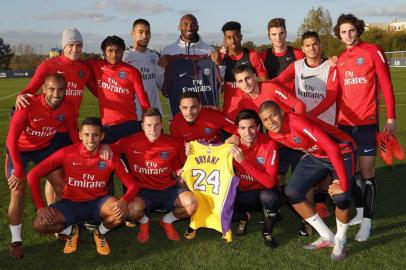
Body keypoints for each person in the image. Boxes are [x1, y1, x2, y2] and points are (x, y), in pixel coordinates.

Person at [258, 101, 356, 261]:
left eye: (273, 115)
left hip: (341, 151)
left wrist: (343, 184)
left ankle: (341, 240)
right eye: (265, 119)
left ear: (282, 113)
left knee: (341, 197)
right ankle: (327, 236)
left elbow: (332, 147)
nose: (271, 121)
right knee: (292, 192)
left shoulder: (297, 122)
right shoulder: (273, 134)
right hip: (317, 156)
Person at [27, 117, 140, 255]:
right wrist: (40, 207)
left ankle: (99, 233)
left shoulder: (110, 157)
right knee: (40, 224)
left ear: (102, 136)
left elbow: (133, 185)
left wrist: (124, 201)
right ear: (80, 135)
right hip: (71, 203)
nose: (91, 140)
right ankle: (71, 231)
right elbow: (32, 175)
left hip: (98, 203)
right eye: (86, 134)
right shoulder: (67, 152)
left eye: (95, 135)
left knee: (121, 213)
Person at [333, 14, 396, 241]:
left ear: (358, 30)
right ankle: (359, 214)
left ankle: (367, 223)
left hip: (367, 123)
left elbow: (387, 84)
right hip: (344, 125)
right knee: (353, 173)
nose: (348, 35)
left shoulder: (372, 50)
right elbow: (338, 94)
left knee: (367, 172)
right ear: (339, 34)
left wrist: (391, 118)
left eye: (351, 30)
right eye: (343, 32)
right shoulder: (340, 59)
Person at [14, 27, 95, 206]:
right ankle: (54, 213)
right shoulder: (49, 65)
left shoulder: (83, 69)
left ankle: (63, 211)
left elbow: (98, 92)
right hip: (52, 131)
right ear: (64, 46)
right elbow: (30, 88)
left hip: (72, 130)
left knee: (68, 174)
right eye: (71, 45)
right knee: (55, 175)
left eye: (79, 45)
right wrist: (21, 94)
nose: (75, 49)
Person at [5, 74, 79, 259]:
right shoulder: (26, 107)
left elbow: (73, 134)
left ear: (66, 90)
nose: (56, 94)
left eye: (61, 90)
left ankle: (66, 231)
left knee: (62, 187)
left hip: (43, 148)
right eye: (52, 89)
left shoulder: (68, 107)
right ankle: (16, 240)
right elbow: (11, 140)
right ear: (44, 90)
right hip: (19, 150)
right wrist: (20, 170)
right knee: (17, 191)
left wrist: (82, 156)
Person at [111, 108, 198, 242]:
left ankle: (167, 221)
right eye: (149, 125)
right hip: (142, 191)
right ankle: (145, 222)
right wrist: (105, 148)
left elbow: (179, 163)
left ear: (162, 125)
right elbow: (111, 149)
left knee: (191, 204)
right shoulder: (129, 142)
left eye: (157, 124)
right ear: (142, 126)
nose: (153, 129)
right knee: (131, 211)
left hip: (168, 190)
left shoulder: (172, 143)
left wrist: (181, 169)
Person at [86, 35, 151, 143]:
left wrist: (148, 125)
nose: (114, 54)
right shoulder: (96, 65)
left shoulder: (132, 72)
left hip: (129, 125)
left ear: (123, 51)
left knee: (131, 159)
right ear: (104, 52)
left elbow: (145, 104)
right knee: (108, 159)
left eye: (118, 50)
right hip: (107, 128)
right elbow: (79, 66)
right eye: (110, 50)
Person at [231, 110, 281, 248]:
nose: (247, 132)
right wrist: (190, 150)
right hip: (244, 193)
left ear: (258, 128)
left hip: (264, 191)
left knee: (269, 197)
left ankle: (268, 229)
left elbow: (270, 182)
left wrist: (243, 162)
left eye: (251, 127)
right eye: (242, 128)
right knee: (228, 195)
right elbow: (210, 156)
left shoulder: (270, 145)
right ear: (237, 130)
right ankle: (243, 217)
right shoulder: (232, 145)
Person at [160, 14, 221, 116]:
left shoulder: (210, 50)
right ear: (179, 27)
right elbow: (162, 83)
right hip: (181, 114)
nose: (189, 27)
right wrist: (160, 67)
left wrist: (220, 64)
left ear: (197, 27)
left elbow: (219, 82)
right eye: (185, 24)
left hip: (206, 113)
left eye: (192, 25)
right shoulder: (168, 51)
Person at [274, 31, 338, 126]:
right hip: (304, 122)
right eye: (307, 45)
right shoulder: (297, 65)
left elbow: (331, 97)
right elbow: (277, 81)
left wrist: (311, 114)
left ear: (320, 45)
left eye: (314, 44)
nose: (311, 48)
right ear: (303, 49)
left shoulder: (331, 66)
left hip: (326, 123)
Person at [211, 21, 268, 120]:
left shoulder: (252, 56)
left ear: (241, 37)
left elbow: (266, 81)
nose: (232, 40)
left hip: (253, 109)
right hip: (231, 111)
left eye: (235, 36)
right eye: (229, 37)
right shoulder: (221, 59)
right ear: (224, 39)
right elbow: (217, 87)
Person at [123, 19, 164, 122]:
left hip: (154, 115)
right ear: (132, 33)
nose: (145, 36)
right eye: (141, 32)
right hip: (134, 115)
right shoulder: (125, 57)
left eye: (147, 32)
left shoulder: (154, 56)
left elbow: (162, 84)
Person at [170, 91, 236, 144]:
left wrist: (231, 140)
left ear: (200, 107)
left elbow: (237, 129)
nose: (189, 112)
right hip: (191, 156)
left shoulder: (213, 116)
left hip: (215, 153)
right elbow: (177, 148)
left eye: (193, 107)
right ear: (180, 108)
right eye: (185, 108)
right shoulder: (176, 123)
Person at [260, 18, 304, 87]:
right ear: (269, 36)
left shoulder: (298, 54)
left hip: (293, 96)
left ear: (286, 33)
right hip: (273, 96)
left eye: (281, 33)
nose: (278, 38)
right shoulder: (262, 56)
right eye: (274, 34)